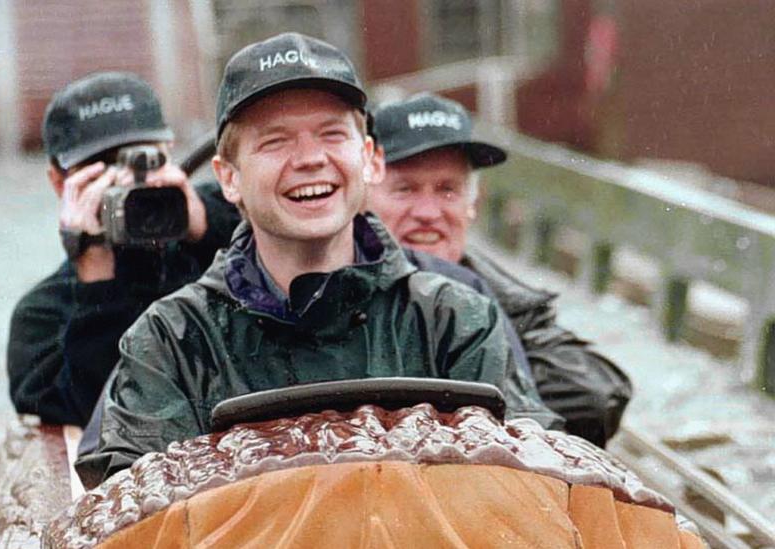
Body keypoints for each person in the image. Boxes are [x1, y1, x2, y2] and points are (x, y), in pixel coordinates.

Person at [75, 32, 557, 483]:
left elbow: (529, 485)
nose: (309, 158)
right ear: (229, 178)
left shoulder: (458, 319)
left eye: (331, 134)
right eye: (275, 140)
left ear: (369, 158)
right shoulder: (171, 339)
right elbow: (134, 516)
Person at [366, 93, 632, 446]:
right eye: (405, 190)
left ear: (473, 204)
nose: (428, 212)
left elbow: (595, 397)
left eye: (447, 190)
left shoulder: (505, 298)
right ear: (362, 197)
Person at [6, 71, 239, 427]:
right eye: (100, 169)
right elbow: (100, 420)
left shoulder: (235, 214)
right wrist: (96, 271)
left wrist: (204, 225)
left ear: (169, 150)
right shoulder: (40, 317)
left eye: (141, 159)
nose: (124, 181)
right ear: (59, 182)